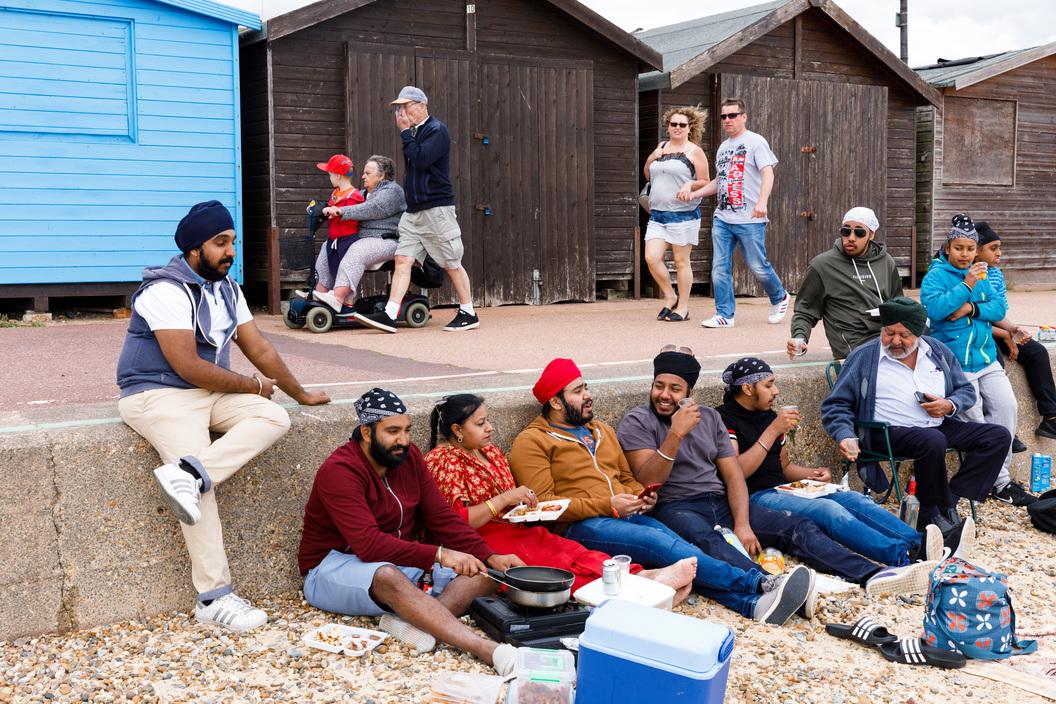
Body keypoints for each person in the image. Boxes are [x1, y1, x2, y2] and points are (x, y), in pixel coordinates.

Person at [116, 200, 330, 632]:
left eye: (232, 241)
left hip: (207, 391)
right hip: (157, 394)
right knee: (202, 493)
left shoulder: (228, 288)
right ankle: (213, 598)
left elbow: (260, 349)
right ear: (195, 249)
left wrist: (299, 394)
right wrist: (253, 386)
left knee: (274, 418)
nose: (230, 251)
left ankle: (190, 474)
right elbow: (186, 365)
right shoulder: (166, 290)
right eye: (220, 243)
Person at [617, 347, 936, 606]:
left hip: (720, 499)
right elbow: (648, 479)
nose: (664, 395)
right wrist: (675, 434)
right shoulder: (639, 421)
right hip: (676, 505)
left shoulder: (710, 417)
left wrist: (742, 524)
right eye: (659, 386)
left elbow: (733, 476)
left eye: (674, 389)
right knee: (708, 542)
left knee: (798, 527)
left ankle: (872, 575)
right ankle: (769, 587)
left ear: (689, 391)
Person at [509, 358, 813, 625]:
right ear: (556, 402)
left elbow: (628, 477)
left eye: (585, 387)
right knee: (665, 545)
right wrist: (609, 503)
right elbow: (544, 507)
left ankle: (753, 606)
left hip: (625, 514)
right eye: (577, 391)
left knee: (682, 555)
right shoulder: (532, 441)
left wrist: (641, 496)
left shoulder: (600, 430)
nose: (588, 395)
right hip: (580, 526)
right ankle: (760, 583)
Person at [297, 388, 524, 674]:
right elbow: (368, 545)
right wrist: (440, 554)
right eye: (393, 431)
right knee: (387, 575)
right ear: (367, 432)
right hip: (331, 566)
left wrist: (490, 557)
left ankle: (413, 621)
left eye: (406, 430)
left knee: (487, 573)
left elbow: (440, 516)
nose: (403, 440)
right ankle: (489, 651)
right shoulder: (340, 470)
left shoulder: (409, 456)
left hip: (397, 560)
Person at [424, 394, 696, 599]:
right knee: (547, 565)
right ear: (458, 430)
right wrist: (505, 499)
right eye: (480, 423)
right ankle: (633, 590)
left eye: (489, 421)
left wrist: (524, 504)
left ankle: (644, 577)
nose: (490, 428)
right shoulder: (443, 460)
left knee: (569, 550)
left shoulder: (490, 452)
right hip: (481, 538)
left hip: (516, 526)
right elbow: (456, 523)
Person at [716, 357, 942, 567]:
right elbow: (737, 472)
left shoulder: (768, 415)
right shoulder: (723, 419)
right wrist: (773, 430)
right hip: (756, 496)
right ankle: (901, 556)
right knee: (829, 510)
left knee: (855, 499)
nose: (775, 391)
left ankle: (920, 544)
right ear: (747, 388)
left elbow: (783, 468)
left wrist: (811, 474)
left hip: (784, 489)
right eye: (768, 385)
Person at [821, 296, 1008, 540]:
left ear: (919, 334)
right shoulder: (865, 356)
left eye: (904, 335)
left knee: (998, 436)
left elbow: (966, 391)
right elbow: (836, 404)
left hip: (938, 425)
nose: (895, 341)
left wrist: (949, 404)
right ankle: (930, 513)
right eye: (889, 333)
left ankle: (949, 500)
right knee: (931, 440)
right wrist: (845, 434)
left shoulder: (937, 351)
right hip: (885, 433)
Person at [920, 215, 1035, 507]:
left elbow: (997, 306)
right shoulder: (936, 275)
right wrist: (967, 286)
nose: (965, 255)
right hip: (955, 362)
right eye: (959, 248)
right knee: (976, 419)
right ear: (947, 247)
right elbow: (935, 310)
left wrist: (969, 307)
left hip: (985, 358)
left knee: (1007, 407)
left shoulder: (982, 272)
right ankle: (996, 482)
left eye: (970, 249)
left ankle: (1000, 478)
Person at [355, 86, 478, 333]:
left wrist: (404, 134)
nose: (401, 112)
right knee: (402, 259)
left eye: (406, 106)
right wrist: (407, 134)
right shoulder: (414, 133)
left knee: (451, 261)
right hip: (414, 212)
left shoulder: (436, 130)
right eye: (399, 108)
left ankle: (468, 311)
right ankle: (389, 314)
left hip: (436, 209)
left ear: (422, 106)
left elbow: (421, 159)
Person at [679, 98, 789, 329]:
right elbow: (720, 181)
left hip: (750, 218)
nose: (727, 120)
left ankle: (779, 297)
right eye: (724, 116)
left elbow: (768, 173)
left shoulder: (756, 142)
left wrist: (762, 202)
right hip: (723, 218)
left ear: (743, 116)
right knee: (719, 266)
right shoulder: (724, 147)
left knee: (757, 265)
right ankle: (724, 315)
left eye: (732, 115)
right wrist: (696, 194)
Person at [974, 221, 1056, 442]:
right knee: (995, 360)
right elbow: (970, 318)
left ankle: (1051, 417)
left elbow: (998, 312)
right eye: (993, 248)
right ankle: (1002, 430)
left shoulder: (996, 274)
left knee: (1037, 352)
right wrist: (1004, 336)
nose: (999, 253)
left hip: (997, 330)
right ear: (976, 250)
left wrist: (1013, 331)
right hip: (975, 334)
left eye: (1000, 247)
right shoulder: (969, 275)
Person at [787, 207, 903, 360]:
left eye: (859, 232)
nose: (851, 237)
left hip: (889, 338)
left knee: (929, 344)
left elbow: (898, 303)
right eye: (846, 231)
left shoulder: (886, 261)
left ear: (871, 234)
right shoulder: (822, 265)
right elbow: (805, 310)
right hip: (854, 347)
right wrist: (800, 338)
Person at [306, 155, 406, 312]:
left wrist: (341, 211)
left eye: (368, 173)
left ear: (381, 176)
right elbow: (346, 201)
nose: (362, 176)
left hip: (386, 240)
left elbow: (372, 208)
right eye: (364, 173)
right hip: (362, 239)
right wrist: (322, 208)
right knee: (329, 245)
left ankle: (339, 297)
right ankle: (321, 292)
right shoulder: (363, 193)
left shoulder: (393, 191)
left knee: (357, 250)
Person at [642, 106, 710, 322]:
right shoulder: (661, 147)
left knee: (681, 262)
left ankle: (683, 307)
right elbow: (648, 174)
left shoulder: (694, 151)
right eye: (674, 124)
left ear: (689, 128)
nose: (678, 128)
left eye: (682, 124)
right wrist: (651, 158)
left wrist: (690, 184)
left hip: (683, 215)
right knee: (651, 257)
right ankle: (670, 296)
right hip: (658, 215)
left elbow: (705, 182)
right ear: (668, 126)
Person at [306, 154, 365, 311]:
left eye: (330, 174)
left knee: (344, 270)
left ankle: (347, 303)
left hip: (347, 239)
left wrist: (334, 210)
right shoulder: (336, 193)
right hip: (333, 240)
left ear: (338, 176)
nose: (329, 177)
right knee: (333, 268)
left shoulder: (354, 196)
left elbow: (351, 212)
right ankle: (325, 296)